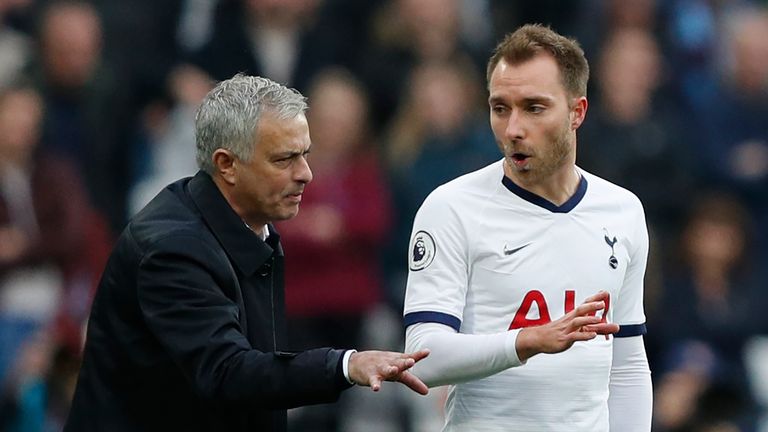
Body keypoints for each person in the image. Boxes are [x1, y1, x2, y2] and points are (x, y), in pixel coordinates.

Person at [64, 74, 429, 432]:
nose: (306, 174)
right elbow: (227, 371)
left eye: (305, 154)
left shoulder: (248, 225)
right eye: (284, 159)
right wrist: (346, 365)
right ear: (226, 164)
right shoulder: (171, 249)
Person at [403, 24, 652, 431]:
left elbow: (626, 364)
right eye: (501, 108)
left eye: (534, 108)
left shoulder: (622, 211)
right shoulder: (451, 208)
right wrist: (525, 341)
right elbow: (423, 356)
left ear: (578, 112)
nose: (513, 128)